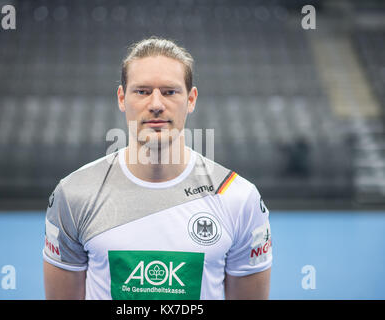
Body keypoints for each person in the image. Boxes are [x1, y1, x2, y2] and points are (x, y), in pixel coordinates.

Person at [43, 37, 272, 300]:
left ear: (191, 99)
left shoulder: (238, 197)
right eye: (142, 91)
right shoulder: (74, 194)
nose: (155, 104)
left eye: (169, 92)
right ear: (121, 97)